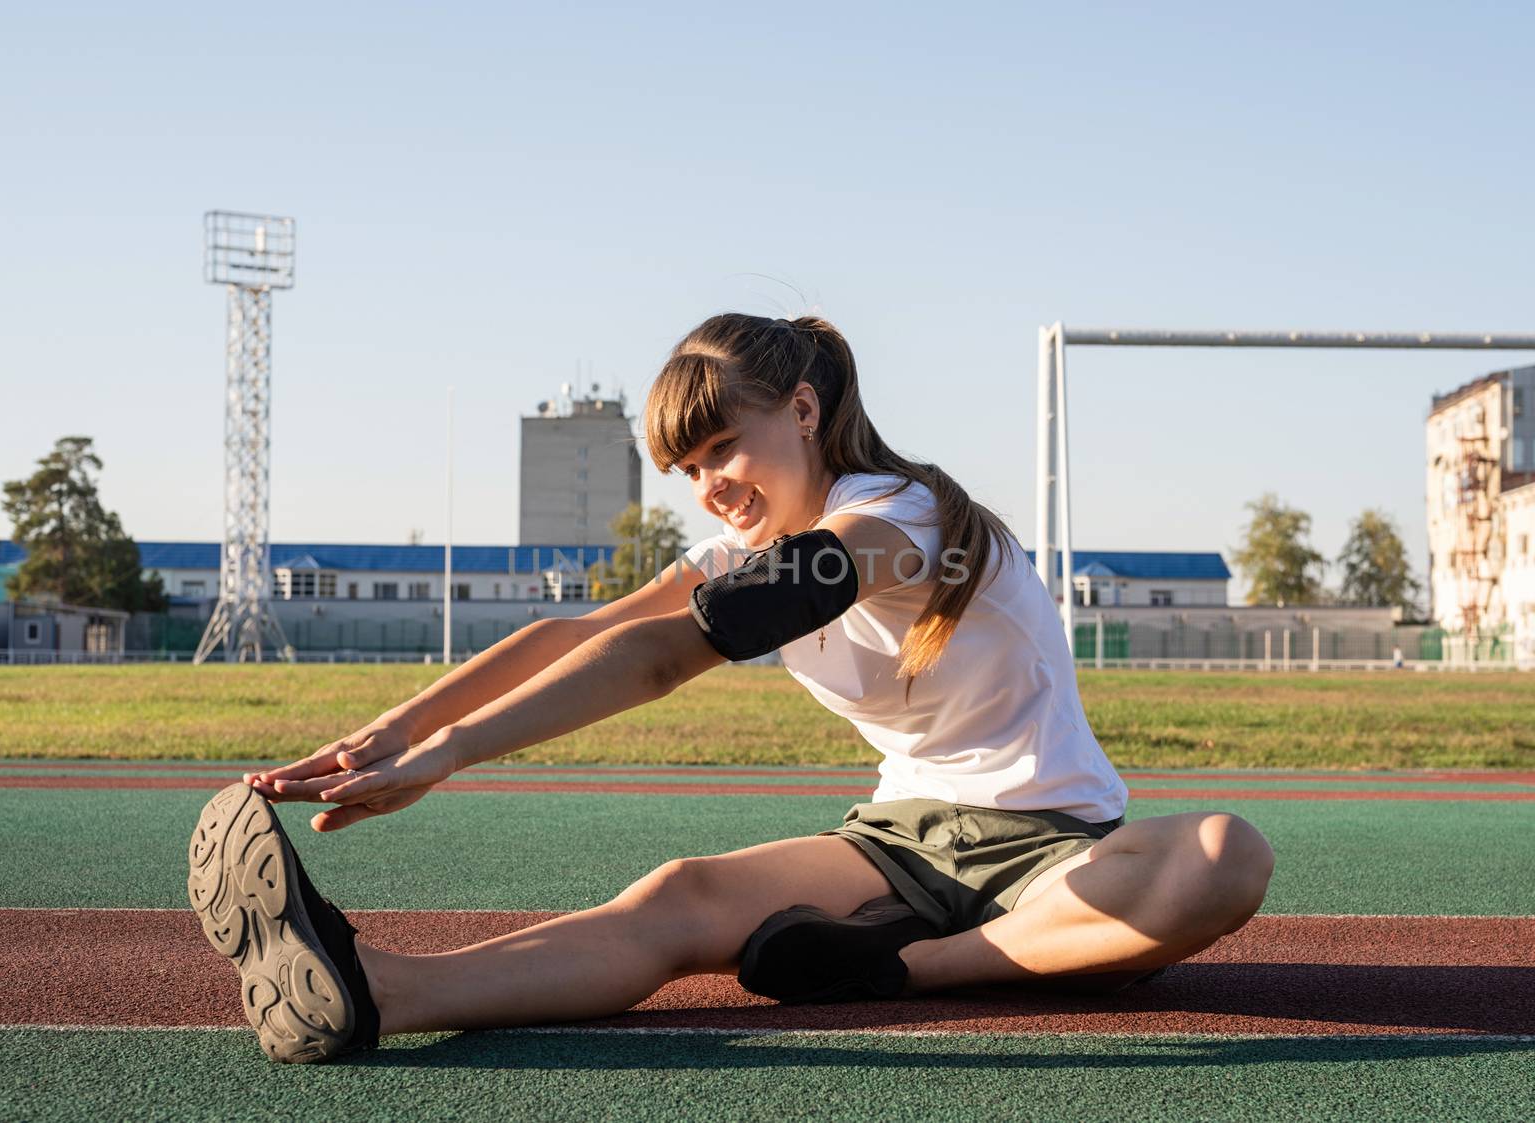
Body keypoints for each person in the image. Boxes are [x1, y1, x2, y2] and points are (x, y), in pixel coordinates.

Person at [187, 312, 1275, 1064]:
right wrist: (402, 726)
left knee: (1222, 856)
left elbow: (670, 655)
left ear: (803, 411)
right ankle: (379, 990)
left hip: (1061, 846)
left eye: (724, 447)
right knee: (678, 895)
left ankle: (907, 969)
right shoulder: (740, 549)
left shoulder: (895, 518)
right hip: (899, 840)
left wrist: (452, 756)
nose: (710, 486)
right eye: (687, 469)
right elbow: (585, 629)